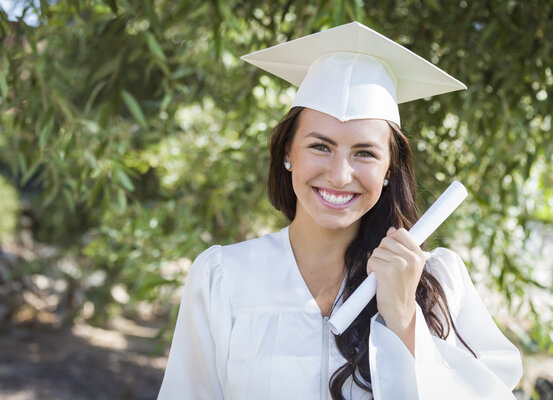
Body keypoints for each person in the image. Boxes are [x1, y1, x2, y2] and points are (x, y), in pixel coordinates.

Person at [157, 22, 523, 400]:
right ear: (287, 152)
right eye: (320, 146)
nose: (339, 174)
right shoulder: (223, 278)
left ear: (388, 171)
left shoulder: (437, 282)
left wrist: (403, 316)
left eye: (364, 153)